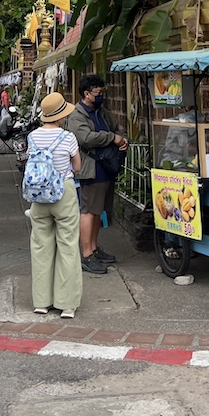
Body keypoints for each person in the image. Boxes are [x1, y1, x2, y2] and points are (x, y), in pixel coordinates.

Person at [28, 91, 83, 318]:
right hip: (63, 193)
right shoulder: (68, 137)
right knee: (68, 245)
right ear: (60, 116)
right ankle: (67, 304)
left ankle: (41, 301)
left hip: (39, 197)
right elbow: (77, 167)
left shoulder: (32, 137)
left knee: (41, 246)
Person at [67, 74, 128, 275]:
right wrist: (113, 138)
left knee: (98, 211)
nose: (101, 96)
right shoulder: (77, 116)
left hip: (106, 167)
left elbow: (116, 128)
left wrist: (121, 138)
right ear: (87, 94)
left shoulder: (101, 112)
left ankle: (94, 247)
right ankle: (86, 254)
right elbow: (86, 138)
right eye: (98, 92)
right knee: (88, 210)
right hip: (90, 169)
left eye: (102, 92)